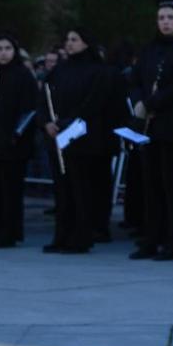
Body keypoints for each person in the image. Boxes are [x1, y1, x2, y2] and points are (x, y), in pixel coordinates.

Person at [129, 2, 173, 262]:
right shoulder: (149, 49)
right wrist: (139, 101)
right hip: (149, 126)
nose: (165, 22)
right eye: (161, 18)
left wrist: (151, 104)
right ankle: (152, 238)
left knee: (171, 185)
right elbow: (135, 80)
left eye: (170, 17)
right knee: (150, 185)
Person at [42, 28, 118, 255]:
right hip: (58, 136)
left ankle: (80, 238)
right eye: (67, 39)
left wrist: (68, 123)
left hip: (84, 138)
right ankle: (61, 236)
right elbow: (44, 97)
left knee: (81, 190)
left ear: (86, 43)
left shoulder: (97, 71)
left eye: (75, 39)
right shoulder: (59, 70)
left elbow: (94, 104)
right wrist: (47, 122)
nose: (69, 43)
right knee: (62, 190)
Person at [0, 35, 40, 249]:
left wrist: (17, 134)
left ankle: (9, 233)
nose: (3, 53)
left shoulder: (23, 75)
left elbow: (30, 109)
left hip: (13, 142)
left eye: (7, 48)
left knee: (10, 190)